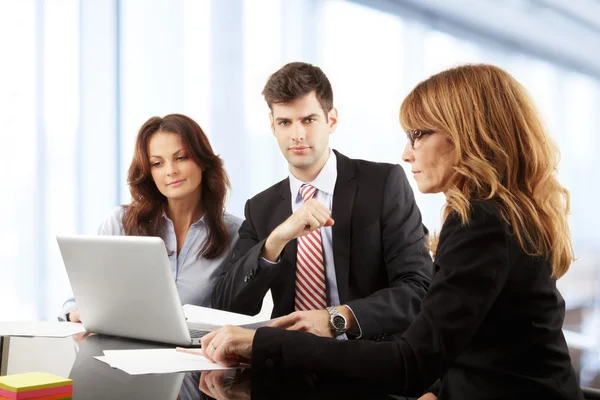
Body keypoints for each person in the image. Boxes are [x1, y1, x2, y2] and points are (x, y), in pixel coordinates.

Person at [199, 64, 584, 399]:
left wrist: (268, 341)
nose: (406, 152)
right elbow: (478, 338)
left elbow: (413, 353)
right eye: (285, 122)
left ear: (467, 135)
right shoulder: (504, 212)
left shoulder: (476, 220)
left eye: (418, 134)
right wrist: (275, 241)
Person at [211, 62, 432, 341]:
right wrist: (274, 242)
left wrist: (336, 319)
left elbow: (418, 288)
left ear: (332, 120)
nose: (297, 135)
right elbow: (224, 307)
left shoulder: (382, 183)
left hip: (368, 366)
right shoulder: (260, 208)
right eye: (285, 122)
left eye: (308, 120)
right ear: (272, 126)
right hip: (291, 368)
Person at [59, 114, 242, 323]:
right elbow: (79, 300)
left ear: (202, 161)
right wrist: (75, 313)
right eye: (157, 163)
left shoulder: (236, 233)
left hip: (195, 352)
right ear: (148, 172)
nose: (171, 171)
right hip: (120, 349)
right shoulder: (120, 224)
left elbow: (237, 313)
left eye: (181, 158)